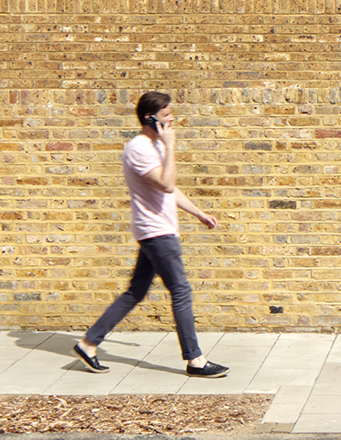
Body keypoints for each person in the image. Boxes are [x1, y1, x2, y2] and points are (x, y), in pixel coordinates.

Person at [73, 90, 227, 377]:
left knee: (135, 292)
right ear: (150, 118)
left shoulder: (152, 147)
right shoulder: (139, 148)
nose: (172, 120)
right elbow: (167, 184)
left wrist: (198, 213)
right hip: (156, 231)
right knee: (181, 290)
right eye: (167, 115)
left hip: (157, 229)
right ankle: (195, 360)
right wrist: (171, 147)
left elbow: (171, 190)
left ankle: (88, 343)